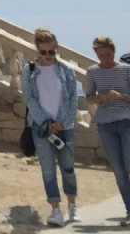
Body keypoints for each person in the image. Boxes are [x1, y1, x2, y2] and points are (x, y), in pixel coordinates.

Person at [21, 29, 80, 226]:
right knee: (48, 169)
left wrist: (62, 122)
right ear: (37, 49)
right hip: (40, 127)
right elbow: (28, 97)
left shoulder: (66, 69)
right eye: (44, 52)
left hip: (65, 125)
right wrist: (46, 123)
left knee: (68, 167)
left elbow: (72, 98)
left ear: (56, 49)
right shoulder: (28, 70)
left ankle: (72, 206)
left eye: (51, 52)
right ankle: (55, 209)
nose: (47, 56)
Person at [86, 36, 130, 226]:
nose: (105, 58)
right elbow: (89, 98)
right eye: (101, 55)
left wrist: (120, 96)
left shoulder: (126, 69)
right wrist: (101, 98)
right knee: (119, 171)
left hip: (126, 120)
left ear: (113, 52)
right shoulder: (92, 71)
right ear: (96, 54)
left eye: (109, 55)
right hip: (105, 124)